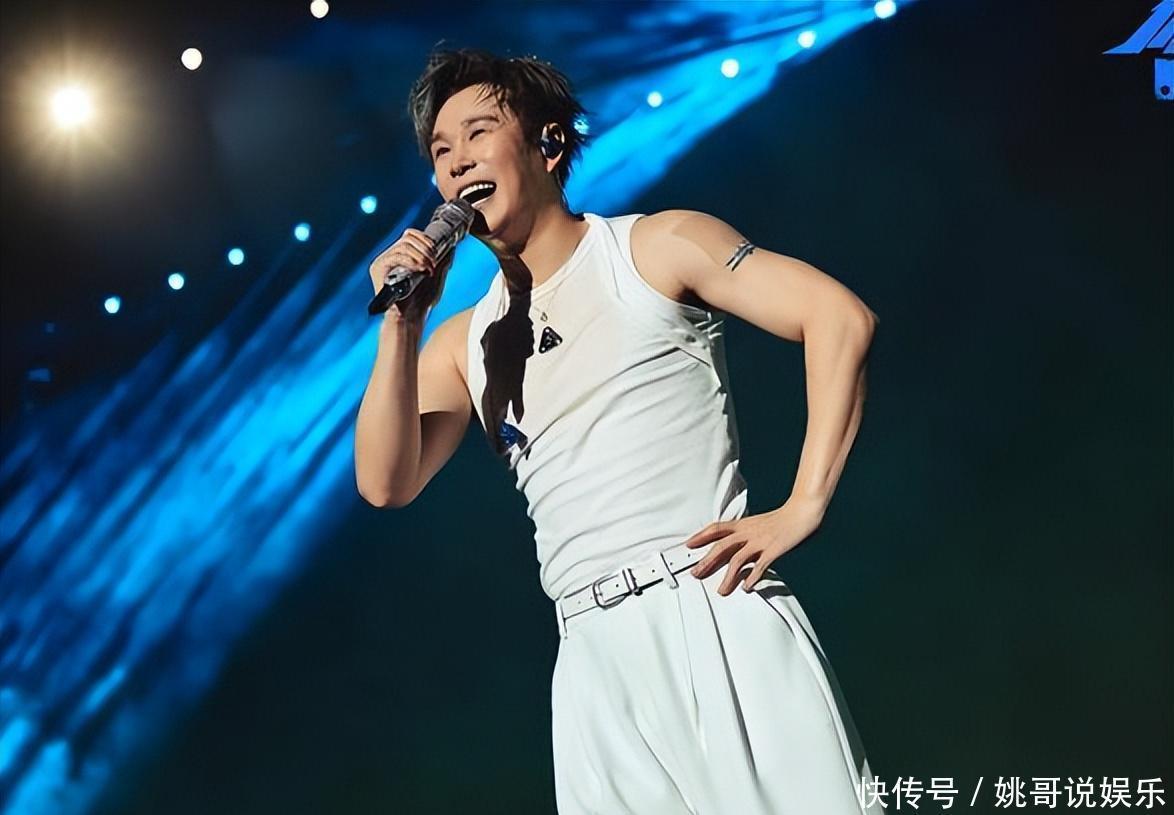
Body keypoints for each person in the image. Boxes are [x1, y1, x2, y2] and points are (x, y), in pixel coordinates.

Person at [354, 47, 885, 815]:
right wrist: (402, 327)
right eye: (441, 150)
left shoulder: (656, 247)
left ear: (549, 143)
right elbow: (384, 481)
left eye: (478, 133)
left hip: (711, 606)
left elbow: (837, 316)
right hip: (590, 660)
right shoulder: (461, 342)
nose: (457, 160)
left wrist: (804, 504)